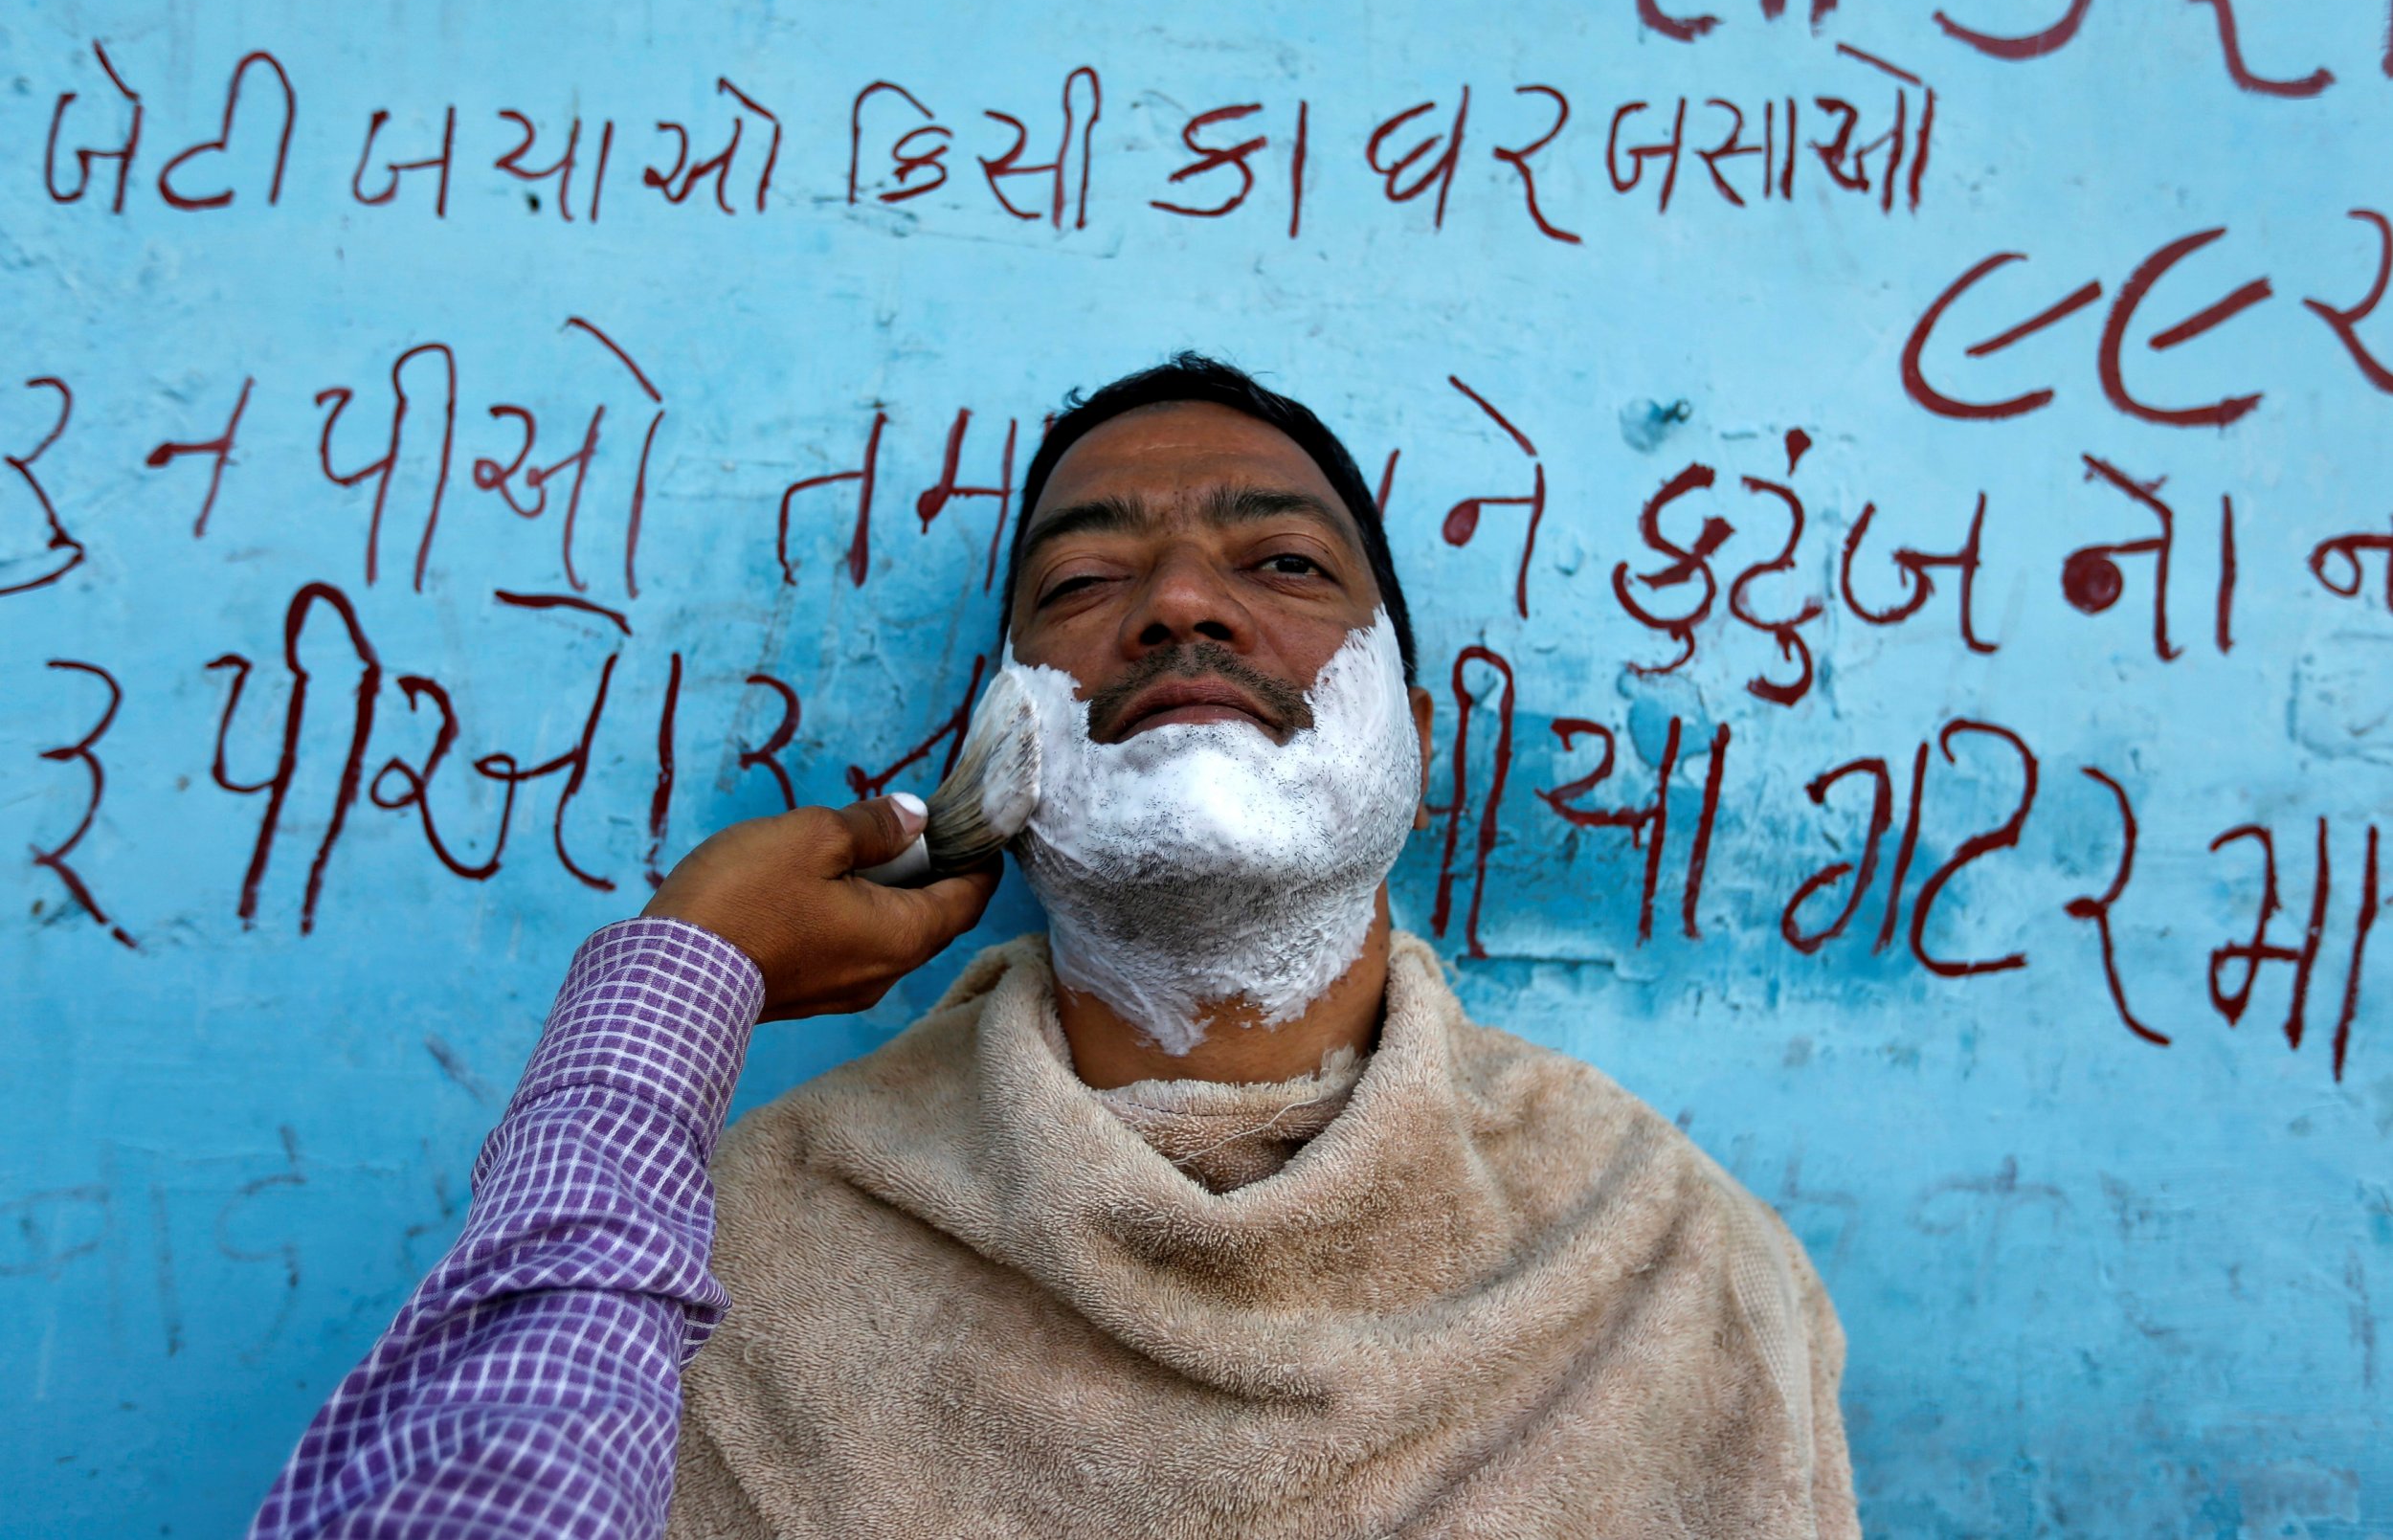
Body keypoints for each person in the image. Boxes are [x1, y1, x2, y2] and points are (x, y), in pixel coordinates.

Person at [251, 355, 1859, 1540]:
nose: (1177, 603)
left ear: (1418, 739)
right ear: (997, 752)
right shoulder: (738, 1256)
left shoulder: (1674, 1263)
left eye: (1283, 565)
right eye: (1086, 578)